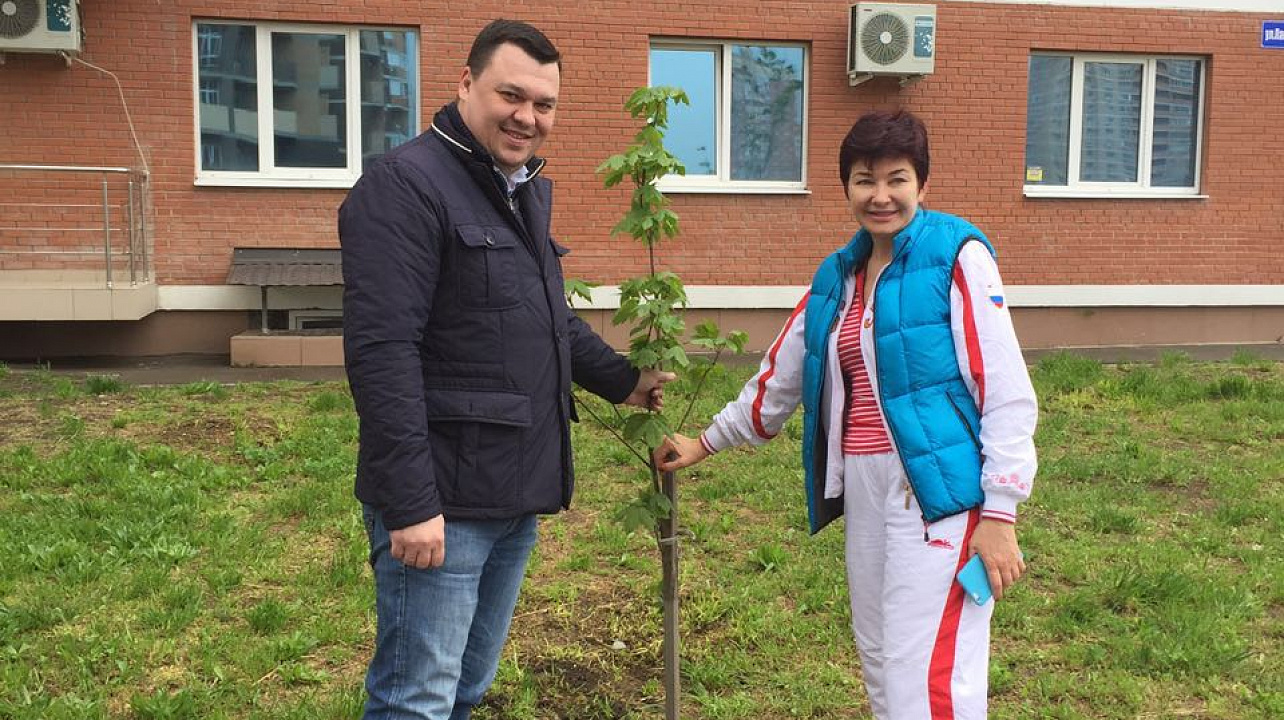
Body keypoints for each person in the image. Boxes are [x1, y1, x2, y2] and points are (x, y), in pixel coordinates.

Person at [339, 19, 673, 720]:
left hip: (512, 490)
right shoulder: (406, 187)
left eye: (544, 104)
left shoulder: (515, 188)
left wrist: (623, 380)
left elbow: (544, 320)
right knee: (416, 698)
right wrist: (410, 503)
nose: (527, 117)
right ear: (466, 83)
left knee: (464, 688)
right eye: (510, 95)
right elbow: (382, 352)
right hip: (444, 503)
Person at [655, 110, 1037, 720]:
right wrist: (705, 441)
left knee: (931, 672)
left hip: (937, 495)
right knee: (883, 658)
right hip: (863, 483)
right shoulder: (837, 274)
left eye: (897, 179)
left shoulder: (957, 256)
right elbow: (780, 376)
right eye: (864, 180)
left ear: (922, 184)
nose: (880, 195)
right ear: (847, 188)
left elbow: (1005, 390)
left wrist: (1000, 512)